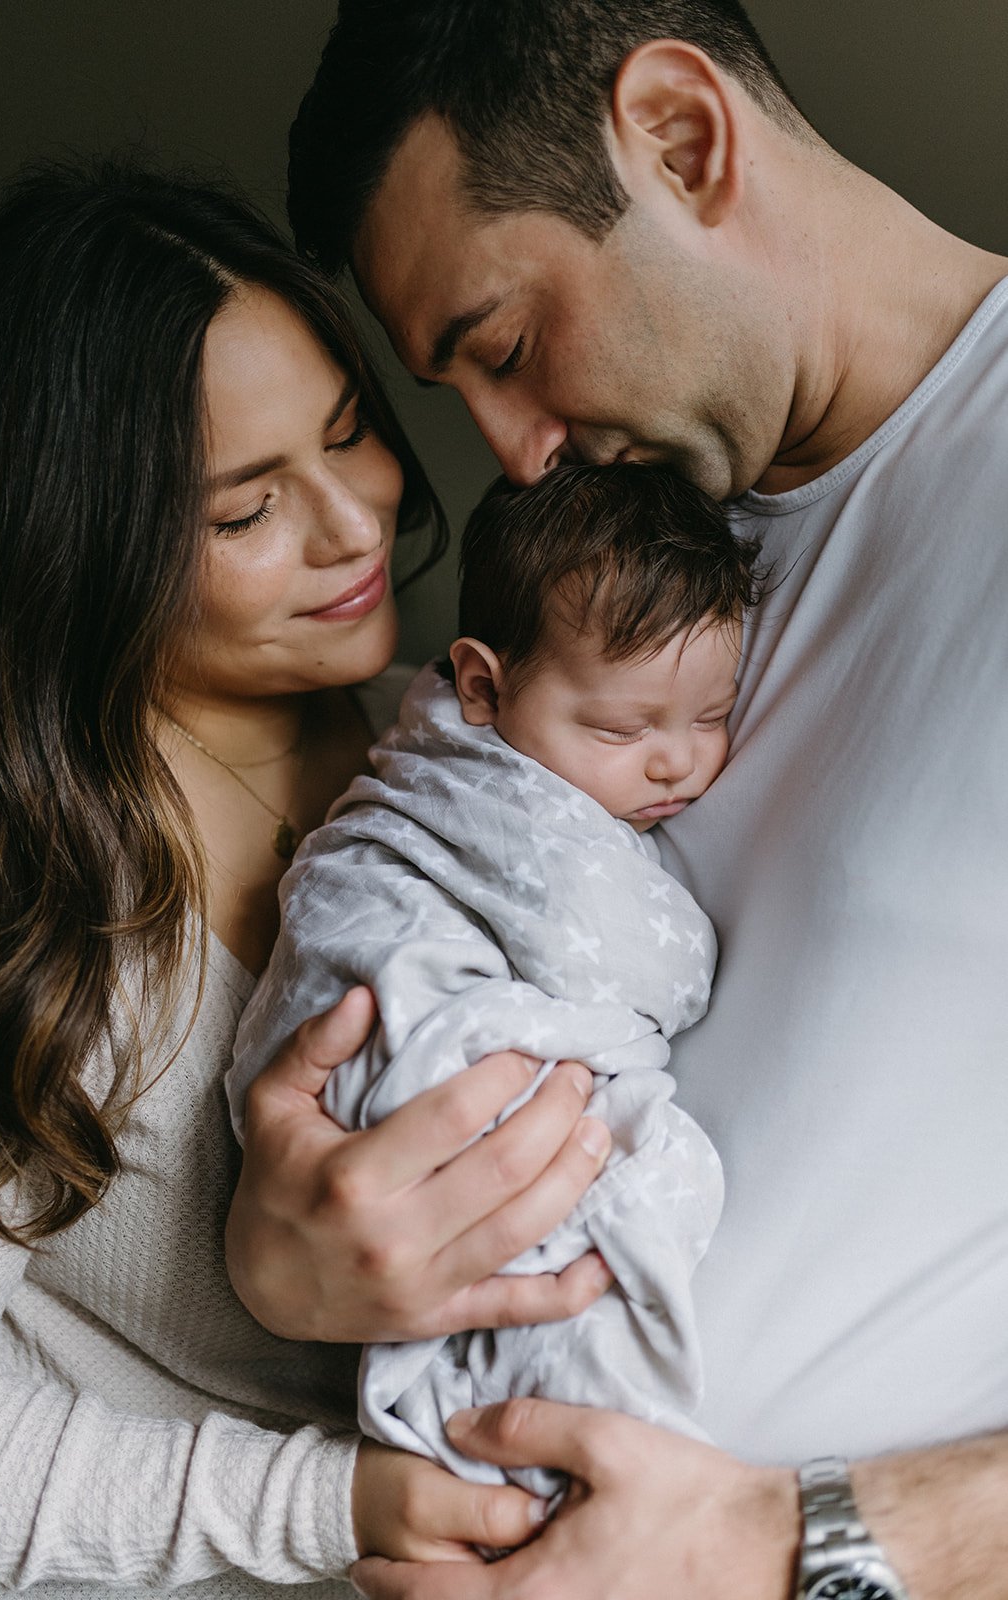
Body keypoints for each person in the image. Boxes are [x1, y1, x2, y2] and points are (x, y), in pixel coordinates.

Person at [224, 2, 1008, 1596]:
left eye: (504, 348)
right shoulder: (600, 583)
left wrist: (801, 1546)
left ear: (679, 136)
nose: (512, 457)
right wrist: (289, 1267)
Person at [0, 159, 618, 1597]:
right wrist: (336, 1504)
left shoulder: (452, 731)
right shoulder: (8, 883)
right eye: (245, 513)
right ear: (84, 553)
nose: (357, 522)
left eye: (350, 430)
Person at [230, 464, 765, 1497]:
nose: (677, 764)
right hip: (410, 1054)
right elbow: (653, 965)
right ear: (481, 685)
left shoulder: (416, 719)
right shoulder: (501, 799)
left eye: (712, 715)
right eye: (621, 728)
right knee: (650, 1179)